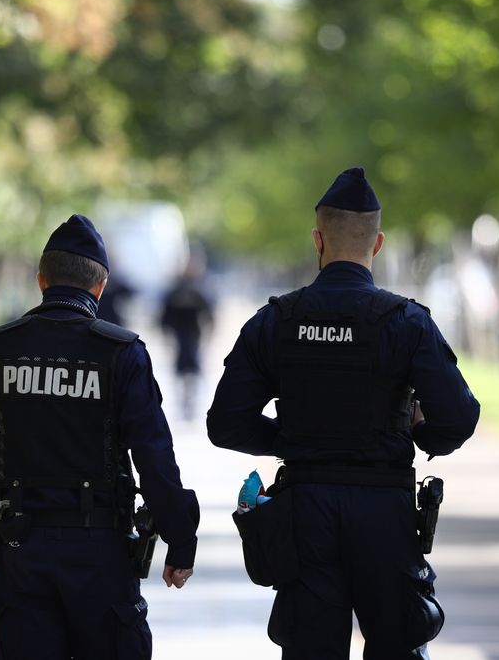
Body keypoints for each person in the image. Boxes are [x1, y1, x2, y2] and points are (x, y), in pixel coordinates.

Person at [206, 167, 480, 660]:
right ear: (377, 245)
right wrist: (423, 433)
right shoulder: (406, 323)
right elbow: (457, 420)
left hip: (305, 509)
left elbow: (226, 423)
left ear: (317, 239)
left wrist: (291, 439)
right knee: (398, 646)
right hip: (385, 512)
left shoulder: (275, 321)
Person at [0, 214, 200, 659]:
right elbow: (155, 456)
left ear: (41, 280)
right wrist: (181, 540)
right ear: (100, 286)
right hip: (102, 556)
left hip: (23, 554)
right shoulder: (123, 354)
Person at [159, 252, 214, 420]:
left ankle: (190, 402)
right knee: (180, 369)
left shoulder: (200, 288)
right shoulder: (176, 289)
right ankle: (184, 401)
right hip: (179, 336)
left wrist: (209, 334)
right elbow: (165, 313)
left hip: (194, 336)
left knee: (193, 369)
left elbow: (209, 313)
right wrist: (165, 332)